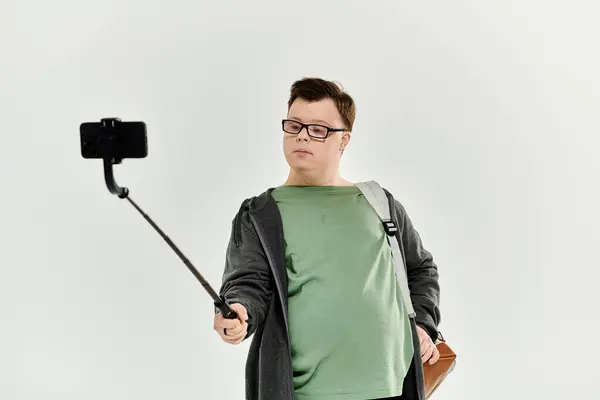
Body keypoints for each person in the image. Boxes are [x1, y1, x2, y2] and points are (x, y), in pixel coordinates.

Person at [213, 77, 441, 400]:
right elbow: (248, 284)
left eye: (318, 129)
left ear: (344, 140)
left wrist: (424, 325)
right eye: (294, 125)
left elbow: (421, 270)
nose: (302, 135)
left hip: (391, 389)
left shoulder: (379, 203)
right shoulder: (261, 214)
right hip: (307, 394)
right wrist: (238, 311)